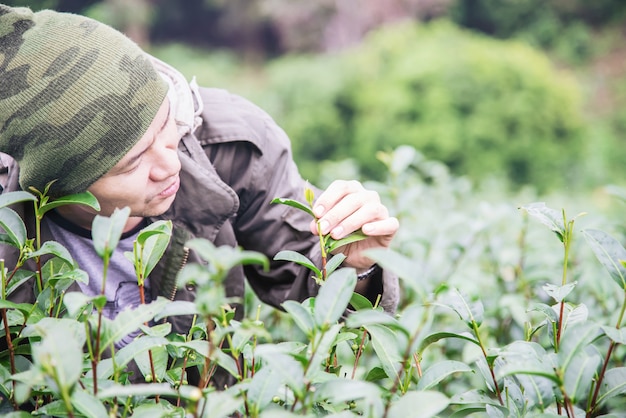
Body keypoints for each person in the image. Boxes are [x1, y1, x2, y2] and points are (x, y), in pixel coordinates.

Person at [0, 5, 399, 351]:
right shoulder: (9, 223)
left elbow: (311, 292)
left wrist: (356, 265)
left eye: (165, 126)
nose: (169, 164)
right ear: (55, 185)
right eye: (133, 163)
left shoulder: (233, 145)